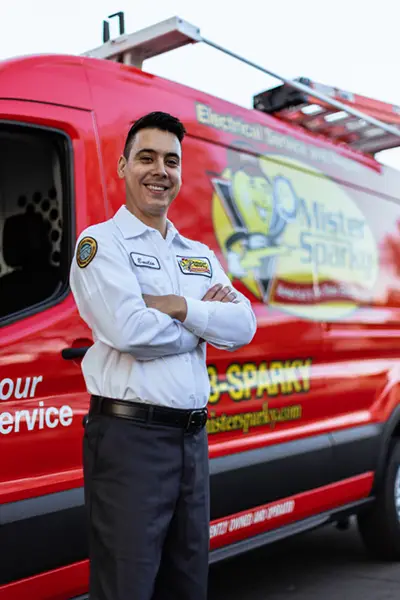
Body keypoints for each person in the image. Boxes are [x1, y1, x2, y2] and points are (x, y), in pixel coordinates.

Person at [69, 111, 257, 600]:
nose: (160, 170)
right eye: (146, 157)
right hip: (131, 442)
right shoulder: (99, 244)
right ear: (122, 166)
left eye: (171, 161)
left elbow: (244, 325)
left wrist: (176, 307)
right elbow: (130, 331)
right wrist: (202, 326)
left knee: (188, 585)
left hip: (192, 442)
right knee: (126, 587)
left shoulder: (195, 253)